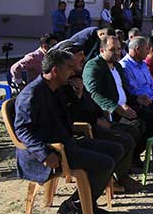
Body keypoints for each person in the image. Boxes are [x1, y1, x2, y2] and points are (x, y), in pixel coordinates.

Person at [14, 49, 121, 214]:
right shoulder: (32, 94)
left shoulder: (58, 89)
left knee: (115, 149)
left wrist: (77, 95)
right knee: (105, 163)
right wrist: (43, 153)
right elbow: (23, 130)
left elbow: (69, 119)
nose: (74, 71)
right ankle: (73, 205)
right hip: (49, 151)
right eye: (69, 68)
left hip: (66, 143)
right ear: (55, 71)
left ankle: (84, 202)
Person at [61, 42, 143, 194]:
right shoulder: (64, 82)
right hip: (84, 129)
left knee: (132, 130)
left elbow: (89, 102)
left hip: (96, 119)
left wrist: (100, 115)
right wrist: (96, 118)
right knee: (123, 139)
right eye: (79, 56)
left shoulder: (76, 75)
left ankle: (120, 174)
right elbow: (73, 112)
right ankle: (116, 178)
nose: (83, 58)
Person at [83, 35, 153, 152]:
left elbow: (123, 91)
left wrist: (137, 99)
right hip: (110, 111)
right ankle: (127, 160)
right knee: (136, 125)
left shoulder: (118, 66)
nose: (117, 52)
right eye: (112, 49)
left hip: (126, 106)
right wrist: (116, 107)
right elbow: (94, 94)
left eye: (119, 49)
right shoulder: (94, 65)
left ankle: (135, 154)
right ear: (102, 50)